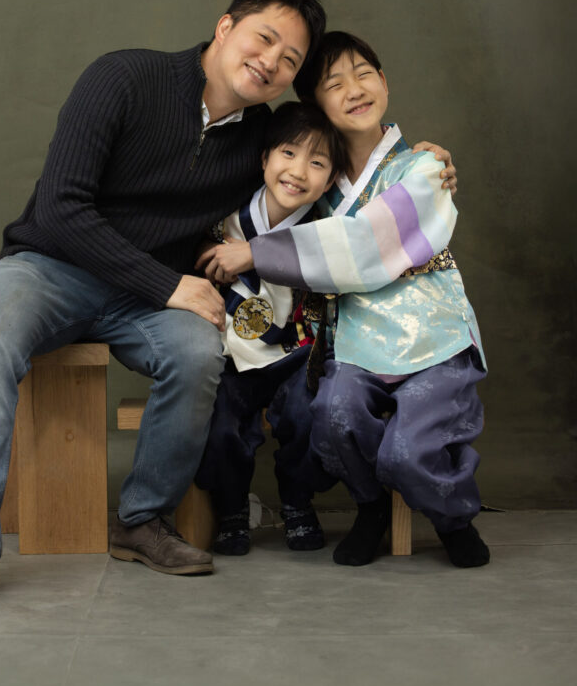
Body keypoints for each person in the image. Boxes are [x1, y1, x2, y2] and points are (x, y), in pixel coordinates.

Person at [0, 0, 456, 612]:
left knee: (198, 355)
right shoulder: (123, 79)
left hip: (152, 300)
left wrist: (416, 161)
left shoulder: (260, 137)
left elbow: (318, 180)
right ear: (225, 27)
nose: (270, 62)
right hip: (55, 267)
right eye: (263, 38)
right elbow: (59, 210)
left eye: (290, 61)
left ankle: (143, 519)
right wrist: (167, 283)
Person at [201, 30, 489, 569]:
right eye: (334, 84)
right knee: (332, 412)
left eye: (364, 74)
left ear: (384, 81)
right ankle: (370, 508)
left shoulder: (423, 170)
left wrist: (255, 254)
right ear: (317, 105)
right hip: (357, 341)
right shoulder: (318, 188)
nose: (354, 89)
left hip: (433, 335)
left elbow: (364, 244)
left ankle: (453, 517)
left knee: (407, 449)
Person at [194, 101, 343, 555]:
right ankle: (233, 506)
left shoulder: (327, 229)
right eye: (289, 154)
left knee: (304, 412)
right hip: (234, 353)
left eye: (317, 163)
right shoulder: (226, 218)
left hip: (298, 352)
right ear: (264, 159)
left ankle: (297, 501)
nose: (298, 172)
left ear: (331, 179)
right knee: (217, 423)